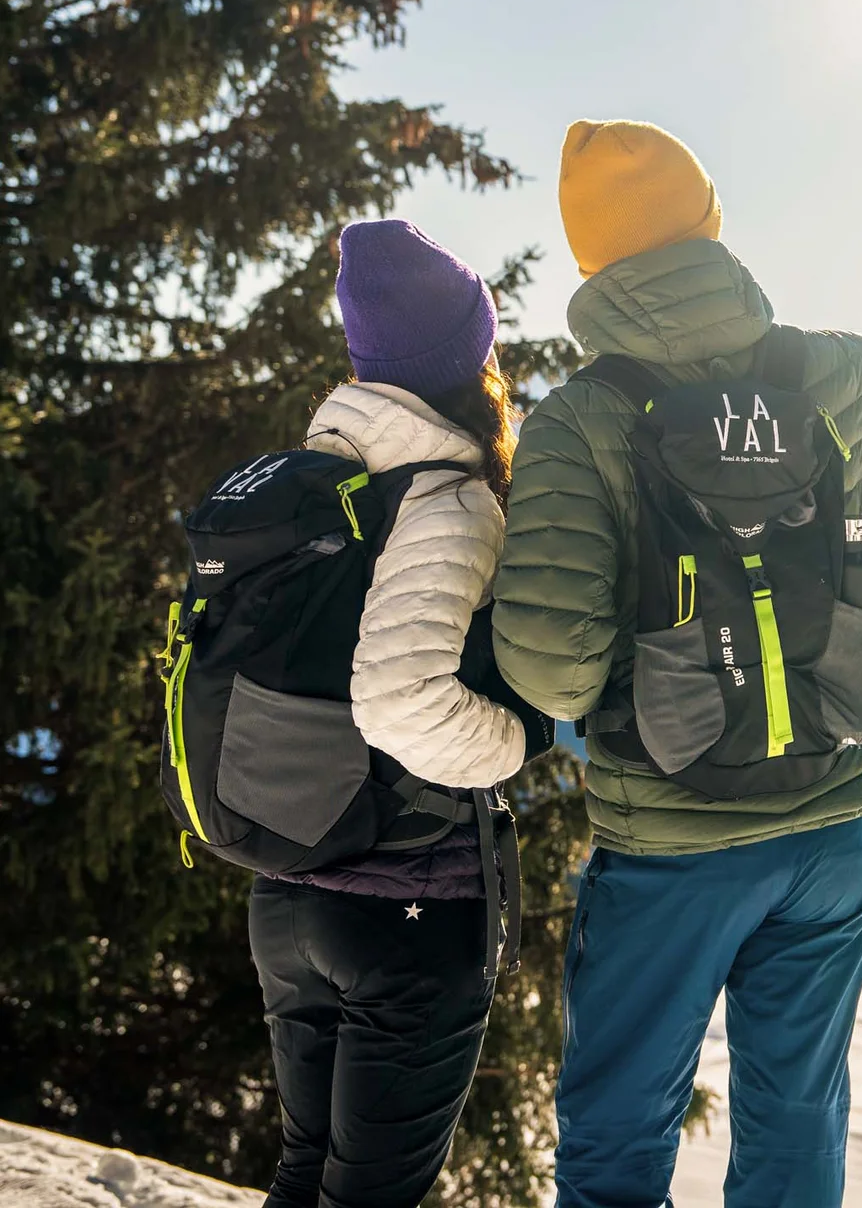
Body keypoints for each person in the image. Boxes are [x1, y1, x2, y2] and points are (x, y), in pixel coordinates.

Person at [492, 120, 862, 1207]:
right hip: (832, 823)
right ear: (711, 226)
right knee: (796, 1117)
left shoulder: (582, 423)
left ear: (591, 262)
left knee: (620, 1124)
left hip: (669, 841)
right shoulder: (833, 374)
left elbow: (556, 674)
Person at [249, 219, 549, 1208]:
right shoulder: (446, 498)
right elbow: (398, 698)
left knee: (306, 1172)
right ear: (466, 353)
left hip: (290, 895)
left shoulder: (315, 481)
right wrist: (519, 738)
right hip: (403, 911)